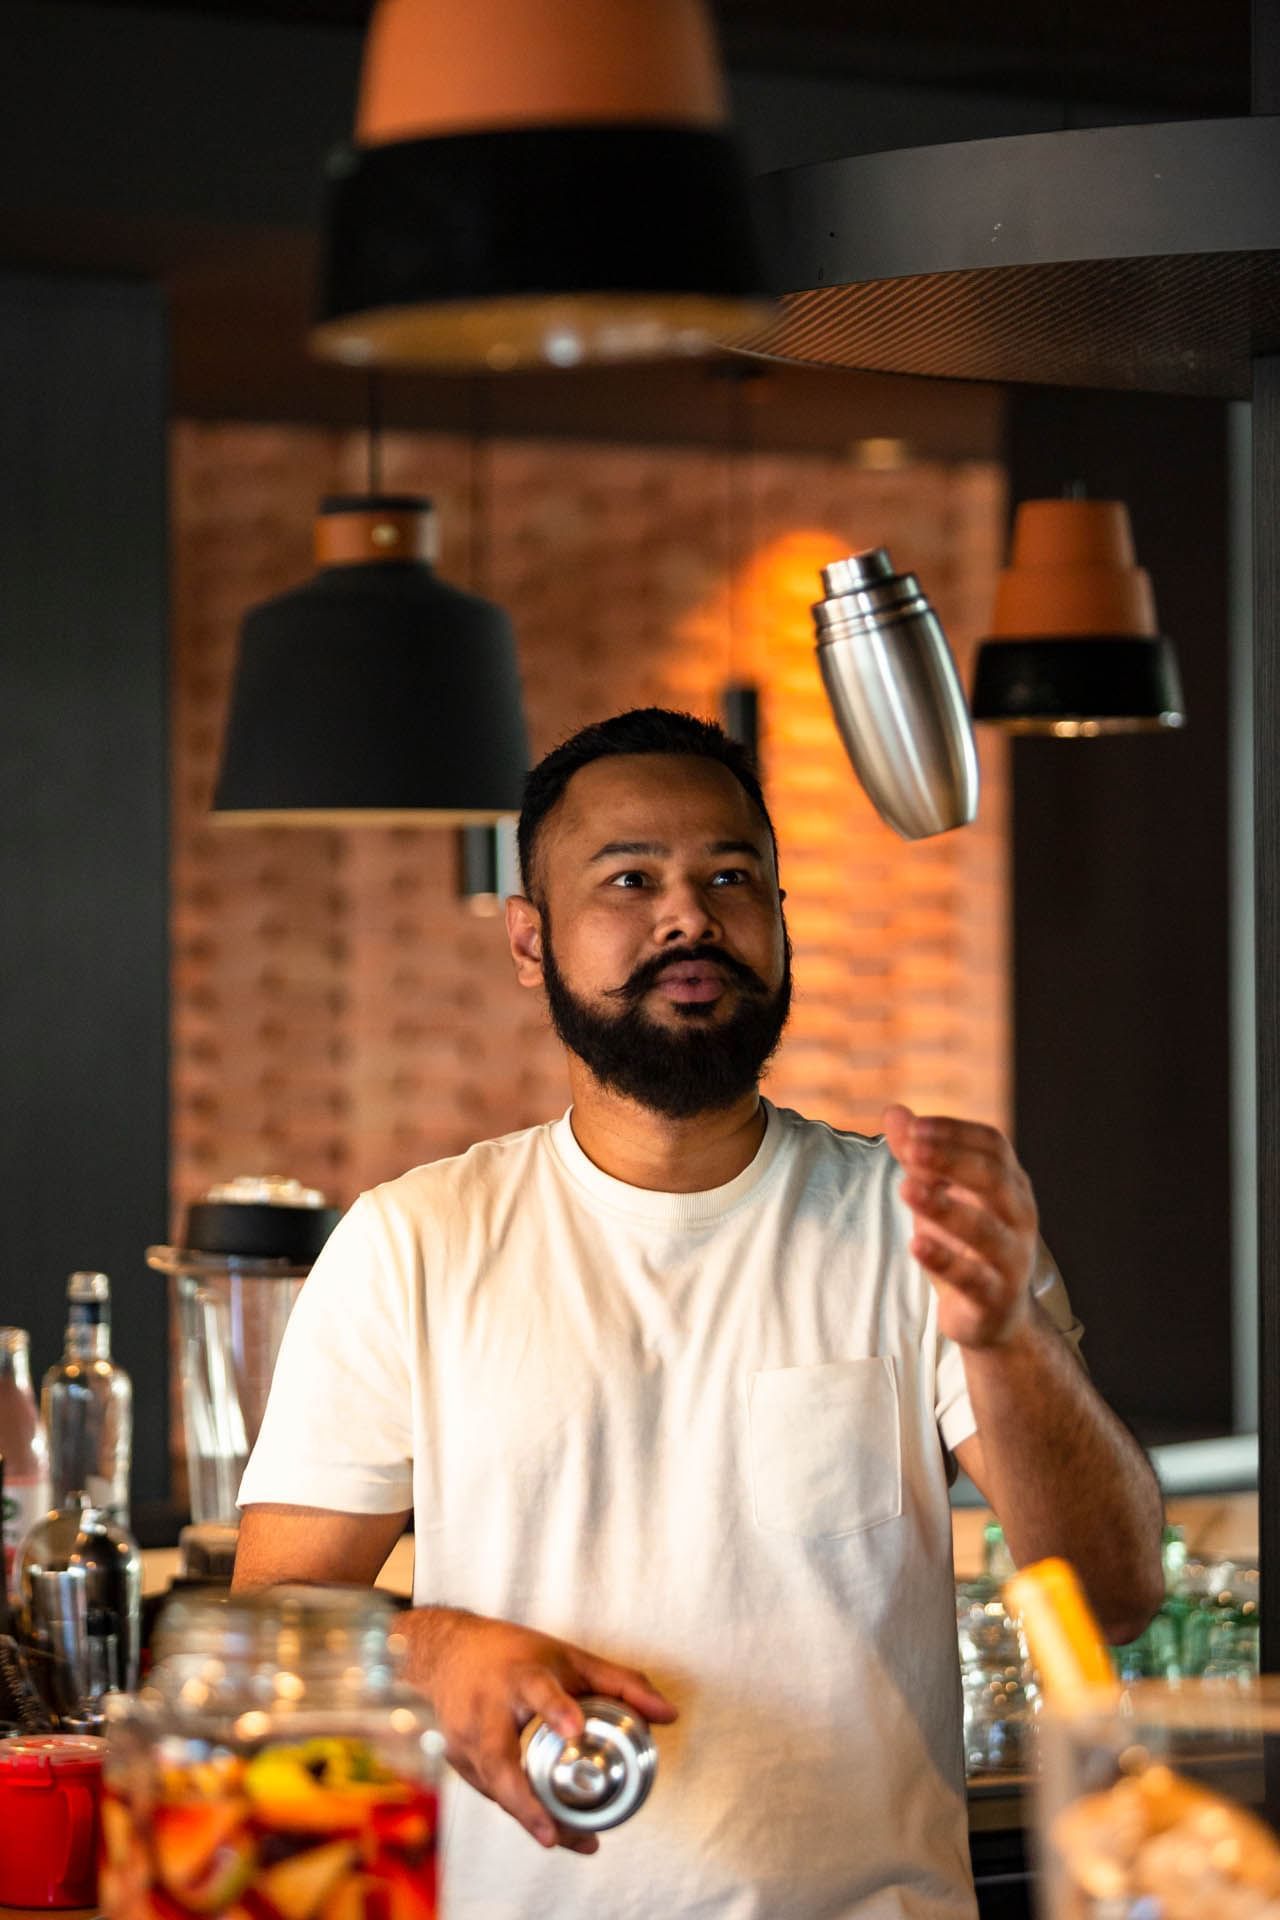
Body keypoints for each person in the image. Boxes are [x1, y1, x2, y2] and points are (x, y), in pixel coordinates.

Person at [235, 707, 1164, 1920]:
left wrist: (1003, 1338)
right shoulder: (413, 1241)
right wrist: (428, 1645)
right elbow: (263, 1628)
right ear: (530, 941)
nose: (689, 917)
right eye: (630, 879)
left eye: (731, 878)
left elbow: (1113, 1597)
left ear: (780, 922)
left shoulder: (918, 1224)